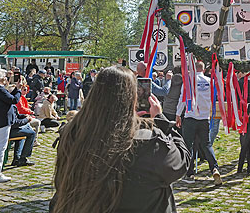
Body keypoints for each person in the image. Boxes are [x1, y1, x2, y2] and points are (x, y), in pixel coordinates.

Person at [50, 66, 190, 213]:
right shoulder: (149, 141)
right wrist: (161, 121)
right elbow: (180, 162)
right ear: (132, 98)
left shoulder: (72, 132)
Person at [175, 61, 222, 185]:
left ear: (193, 69)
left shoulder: (189, 81)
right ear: (203, 69)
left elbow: (182, 98)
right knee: (206, 145)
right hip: (204, 118)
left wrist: (178, 114)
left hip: (190, 117)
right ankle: (214, 168)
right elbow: (214, 98)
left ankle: (190, 174)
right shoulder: (209, 81)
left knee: (188, 145)